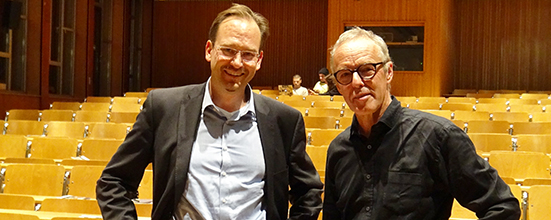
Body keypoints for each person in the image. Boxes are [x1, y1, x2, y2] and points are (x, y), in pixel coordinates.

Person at [96, 4, 323, 220]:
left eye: (247, 54)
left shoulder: (284, 120)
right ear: (209, 50)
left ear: (259, 60)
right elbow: (114, 182)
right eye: (228, 50)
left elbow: (309, 193)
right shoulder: (164, 108)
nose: (236, 63)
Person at [322, 27, 520, 219]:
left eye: (367, 70)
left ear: (388, 72)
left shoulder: (438, 136)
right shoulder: (338, 149)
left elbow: (502, 207)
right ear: (338, 85)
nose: (356, 82)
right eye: (345, 74)